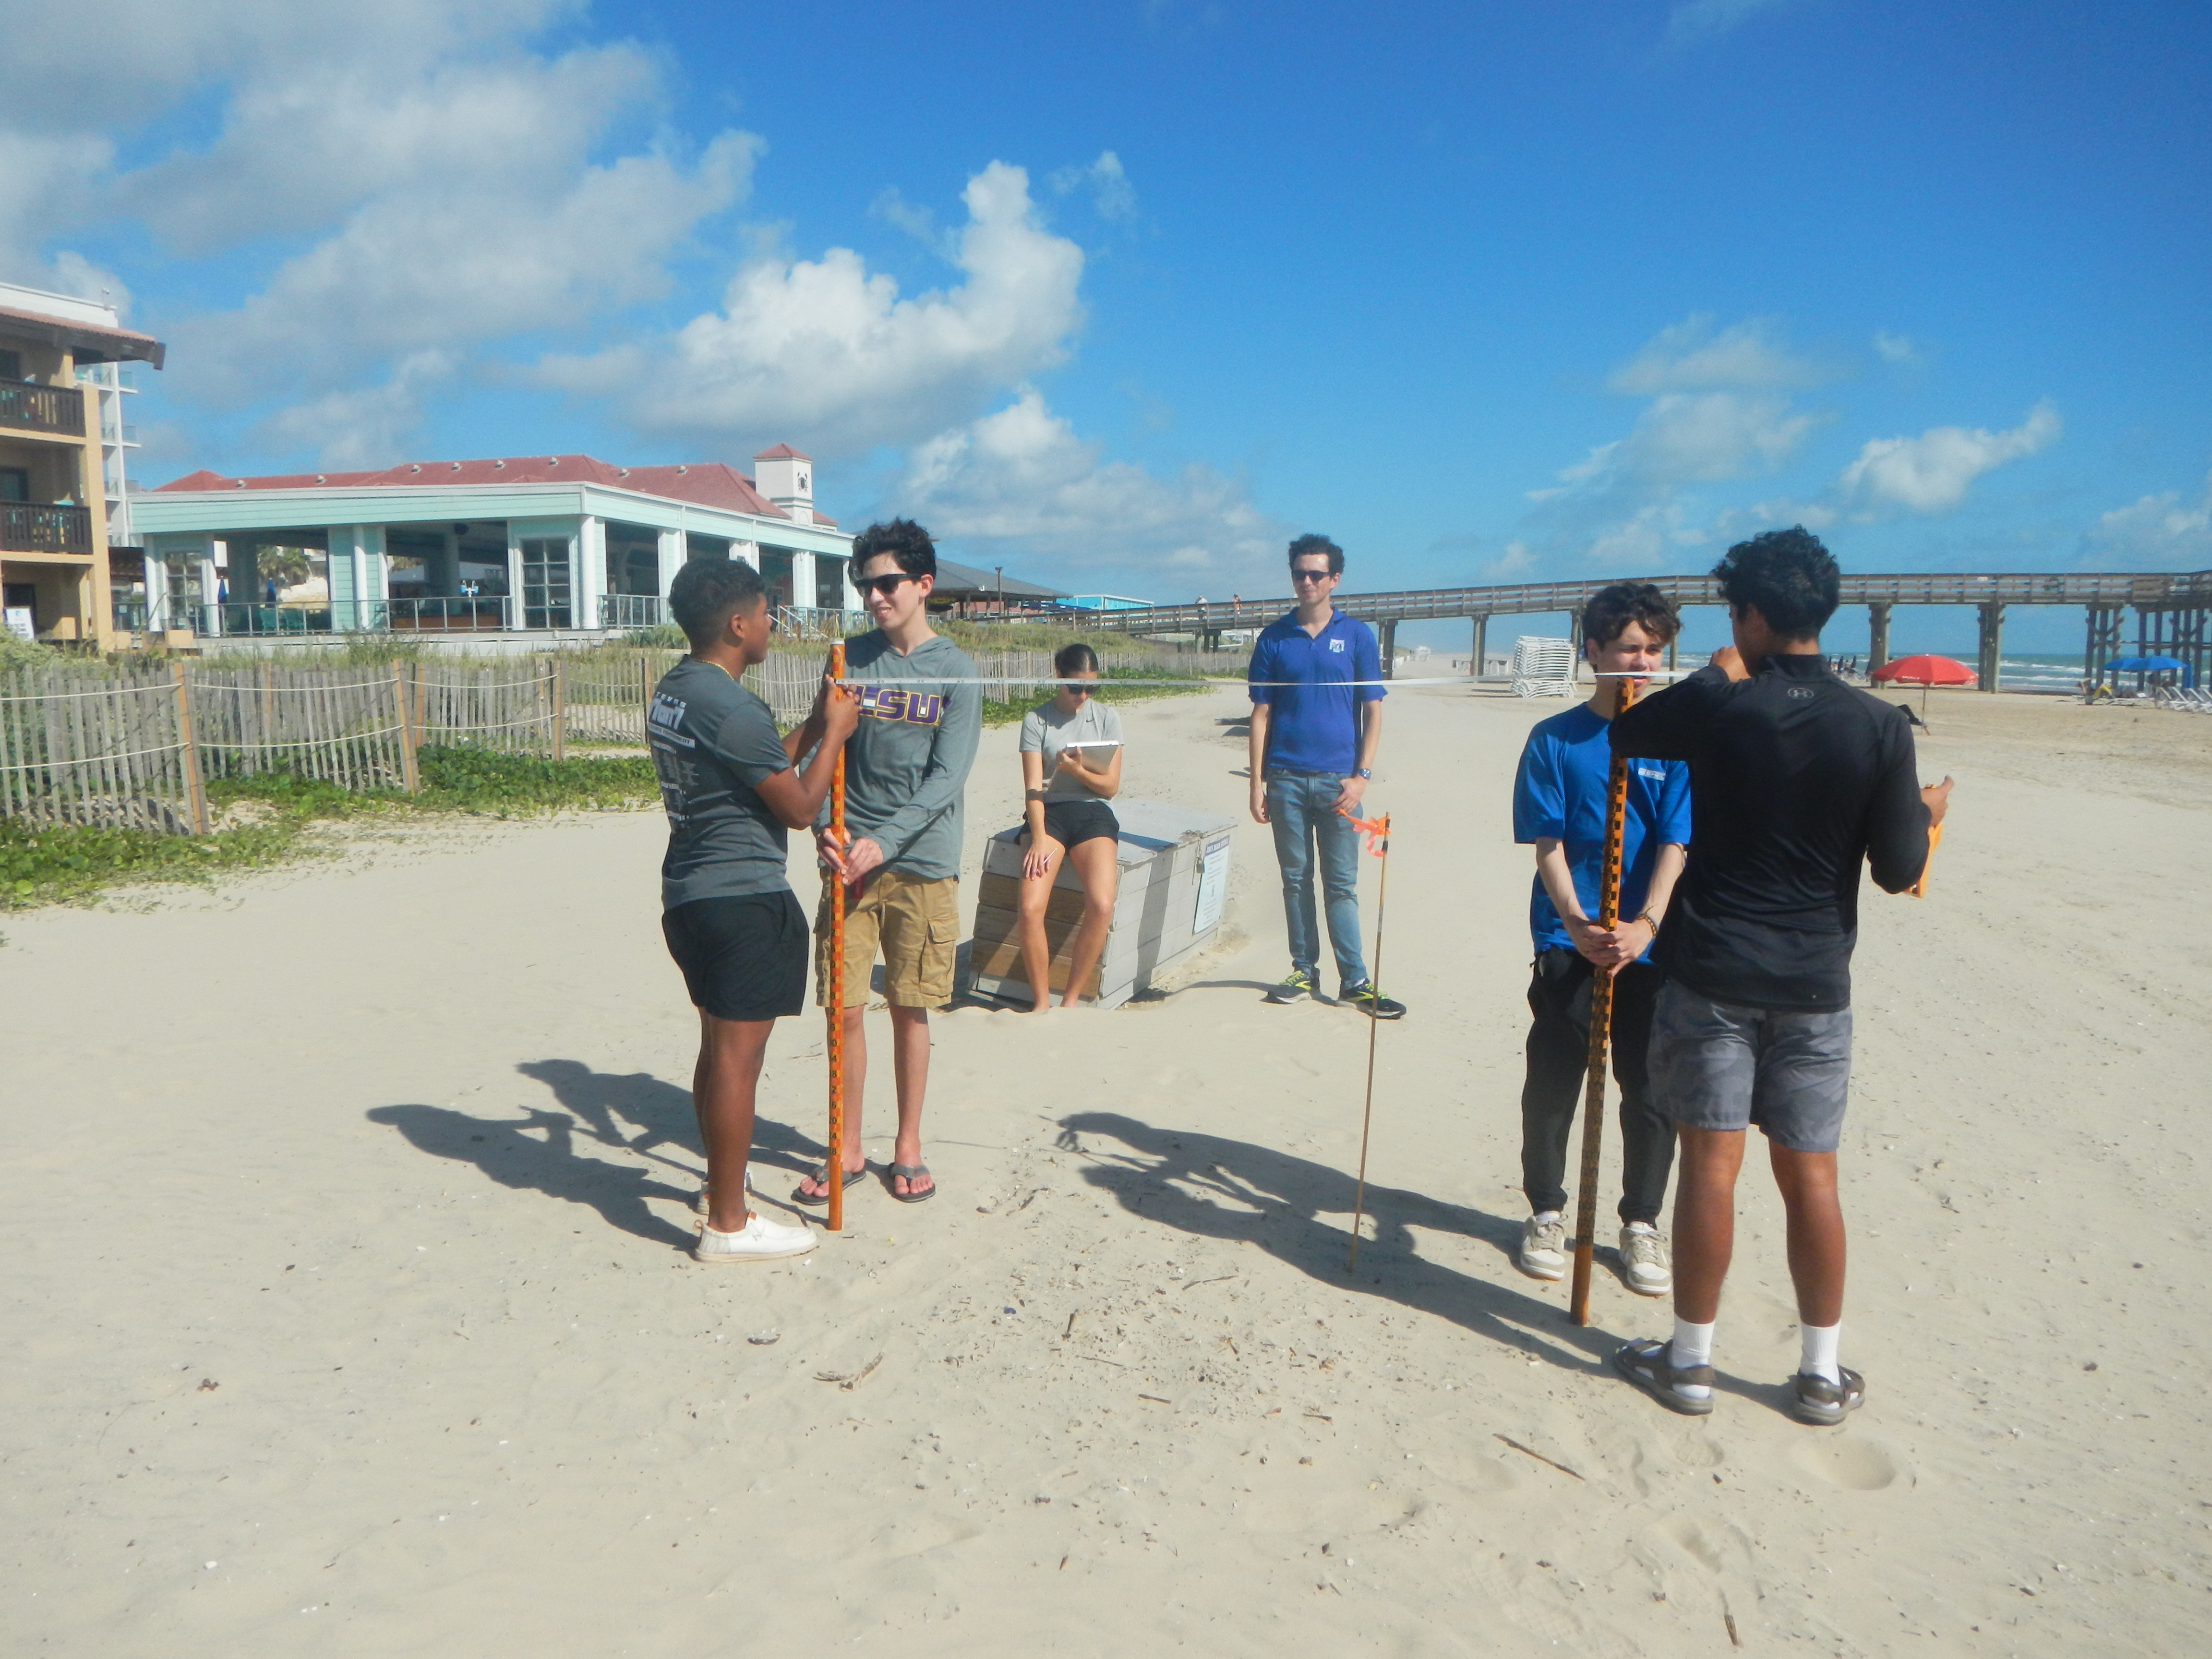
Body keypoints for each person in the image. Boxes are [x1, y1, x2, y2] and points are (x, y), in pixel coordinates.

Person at [1607, 527, 1953, 1426]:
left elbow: (1631, 730)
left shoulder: (1725, 706)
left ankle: (1688, 1363)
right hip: (1811, 984)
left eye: (1733, 613)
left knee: (1709, 1171)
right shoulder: (1877, 725)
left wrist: (1722, 670)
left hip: (1713, 970)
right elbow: (1894, 866)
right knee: (1811, 1180)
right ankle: (1818, 1374)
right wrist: (1922, 809)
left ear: (1753, 614)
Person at [650, 557, 859, 1263]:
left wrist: (811, 722)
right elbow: (800, 807)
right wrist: (836, 734)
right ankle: (731, 1226)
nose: (774, 623)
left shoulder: (679, 691)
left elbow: (759, 765)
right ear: (738, 625)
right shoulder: (733, 706)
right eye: (768, 612)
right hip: (743, 899)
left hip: (690, 895)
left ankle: (721, 1193)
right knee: (739, 1064)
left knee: (717, 1053)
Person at [1511, 583, 1691, 1296]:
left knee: (1649, 1088)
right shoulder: (1555, 739)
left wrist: (1643, 924)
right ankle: (1547, 1210)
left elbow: (1679, 840)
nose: (1641, 663)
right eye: (1628, 650)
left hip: (1649, 943)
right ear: (1594, 652)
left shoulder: (1675, 742)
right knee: (1555, 1081)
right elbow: (1547, 843)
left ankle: (1642, 1222)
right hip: (1569, 936)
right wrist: (1581, 924)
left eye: (1652, 650)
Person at [795, 519, 982, 1207]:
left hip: (923, 863)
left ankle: (908, 1146)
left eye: (887, 584)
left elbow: (947, 779)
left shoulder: (956, 671)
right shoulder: (848, 659)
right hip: (849, 861)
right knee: (841, 1006)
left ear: (923, 585)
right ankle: (844, 1145)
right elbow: (824, 747)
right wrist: (823, 826)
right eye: (863, 585)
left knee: (909, 1006)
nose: (874, 597)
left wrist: (887, 841)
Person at [1247, 535, 1403, 1017]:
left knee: (1342, 884)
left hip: (1340, 783)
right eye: (1300, 573)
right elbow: (1261, 715)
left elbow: (1373, 712)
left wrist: (1362, 777)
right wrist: (1257, 783)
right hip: (1286, 779)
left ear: (1334, 579)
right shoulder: (1274, 638)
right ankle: (1303, 968)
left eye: (1317, 574)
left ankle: (1354, 980)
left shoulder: (1356, 636)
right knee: (1295, 880)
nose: (1308, 582)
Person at [1014, 642, 1122, 1010]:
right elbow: (1032, 787)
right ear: (1058, 677)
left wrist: (1076, 770)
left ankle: (1072, 1001)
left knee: (1102, 903)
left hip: (1092, 809)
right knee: (1030, 908)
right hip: (1049, 811)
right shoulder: (1037, 720)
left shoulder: (1107, 717)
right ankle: (1041, 1002)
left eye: (1091, 688)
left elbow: (1110, 787)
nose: (1083, 695)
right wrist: (1039, 837)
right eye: (1075, 686)